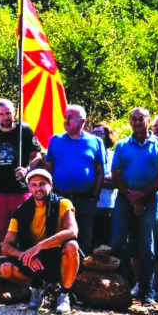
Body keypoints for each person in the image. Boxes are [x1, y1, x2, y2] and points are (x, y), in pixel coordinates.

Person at [0, 169, 80, 314]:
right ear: (29, 188)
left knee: (72, 245)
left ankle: (64, 294)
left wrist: (39, 247)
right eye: (34, 185)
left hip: (57, 257)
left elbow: (72, 231)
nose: (38, 188)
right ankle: (38, 286)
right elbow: (5, 246)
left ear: (50, 185)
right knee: (5, 268)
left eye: (42, 184)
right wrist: (23, 255)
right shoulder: (21, 211)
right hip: (34, 261)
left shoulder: (63, 204)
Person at [111, 107, 158, 304]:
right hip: (124, 198)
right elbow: (116, 173)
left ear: (148, 120)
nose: (137, 122)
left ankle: (147, 290)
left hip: (150, 199)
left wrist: (142, 195)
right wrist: (131, 197)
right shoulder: (122, 145)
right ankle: (119, 288)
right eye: (134, 119)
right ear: (129, 122)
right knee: (118, 243)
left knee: (147, 247)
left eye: (141, 119)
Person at [0, 99, 43, 249]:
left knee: (24, 230)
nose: (5, 117)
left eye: (8, 113)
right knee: (2, 234)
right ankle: (3, 261)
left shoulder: (24, 132)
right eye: (1, 114)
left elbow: (37, 157)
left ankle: (24, 260)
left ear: (14, 113)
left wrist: (27, 170)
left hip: (20, 191)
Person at [43, 105, 105, 255]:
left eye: (70, 117)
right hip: (60, 198)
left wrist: (95, 196)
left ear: (82, 121)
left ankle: (82, 269)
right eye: (66, 117)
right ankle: (59, 268)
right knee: (59, 236)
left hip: (85, 199)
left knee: (85, 238)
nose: (66, 120)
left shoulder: (95, 142)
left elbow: (100, 172)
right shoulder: (55, 140)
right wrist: (48, 194)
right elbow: (48, 168)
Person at [90, 123, 117, 249]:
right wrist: (101, 179)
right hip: (90, 205)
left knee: (105, 243)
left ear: (108, 135)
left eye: (100, 133)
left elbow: (115, 181)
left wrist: (95, 180)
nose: (97, 136)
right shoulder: (88, 155)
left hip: (108, 204)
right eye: (94, 133)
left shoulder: (113, 155)